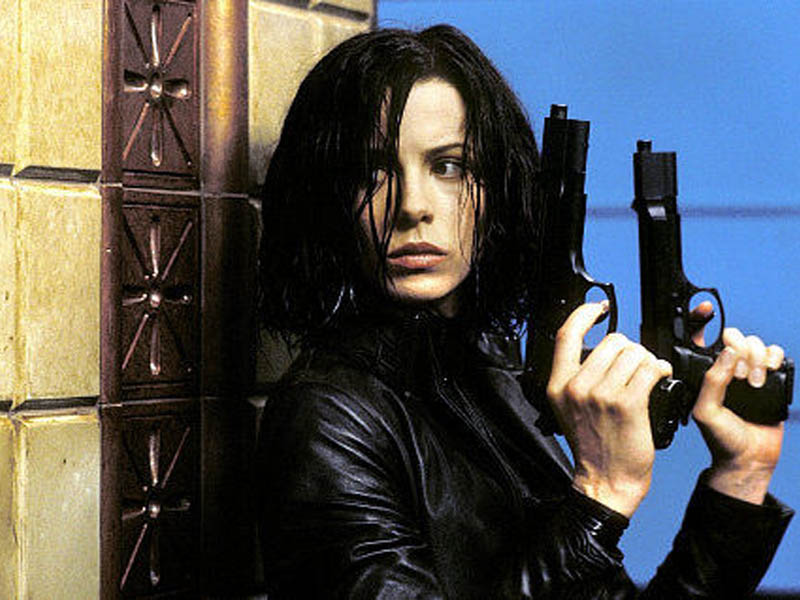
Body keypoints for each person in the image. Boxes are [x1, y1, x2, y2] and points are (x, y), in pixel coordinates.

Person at [255, 24, 793, 599]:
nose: (412, 206)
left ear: (498, 188)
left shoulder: (497, 371)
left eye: (449, 166)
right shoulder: (327, 420)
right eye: (371, 172)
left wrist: (741, 477)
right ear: (326, 197)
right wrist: (600, 495)